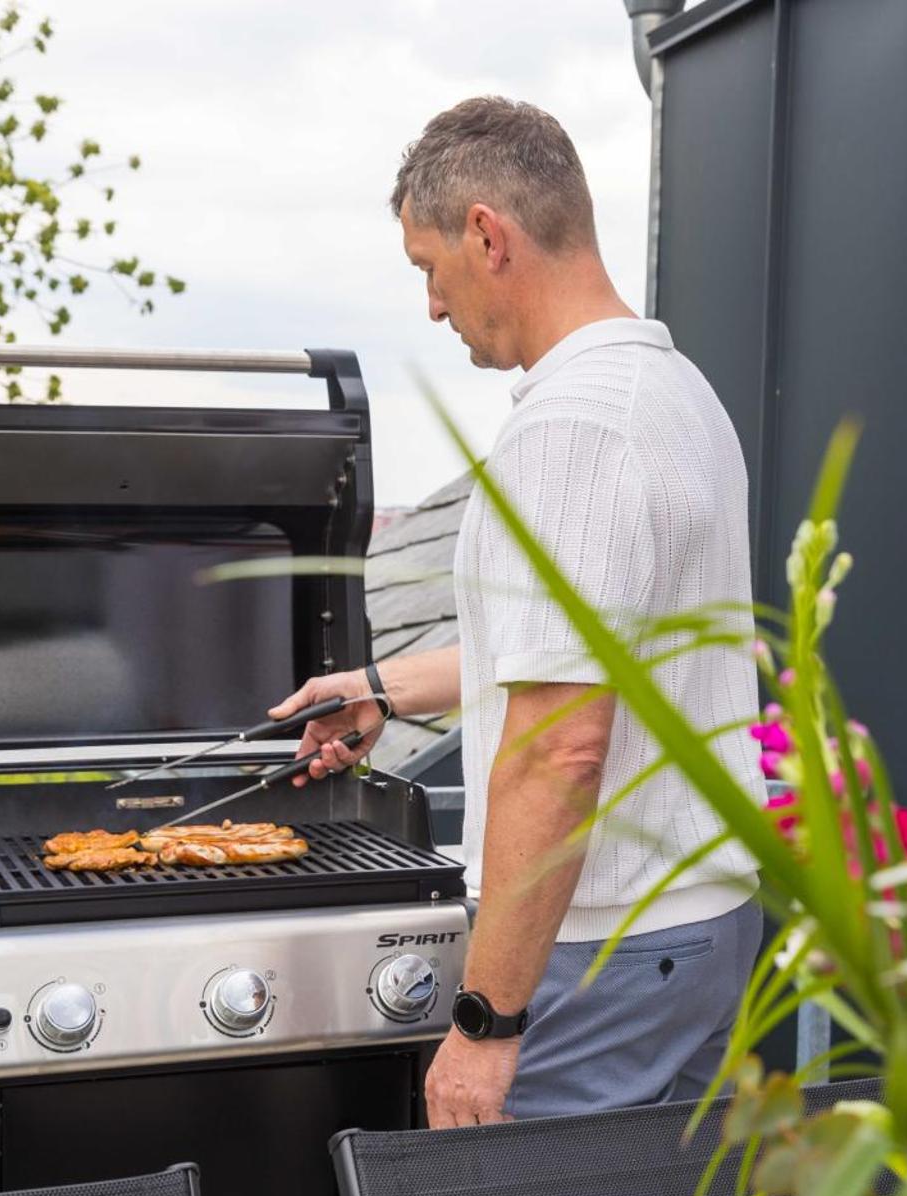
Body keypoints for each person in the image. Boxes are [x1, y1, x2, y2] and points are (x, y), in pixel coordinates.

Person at [270, 96, 765, 1128]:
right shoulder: (677, 395)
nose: (432, 307)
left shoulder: (572, 429)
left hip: (599, 954)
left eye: (428, 267)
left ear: (487, 236)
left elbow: (561, 749)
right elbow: (593, 653)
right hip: (700, 935)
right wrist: (382, 689)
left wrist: (486, 1022)